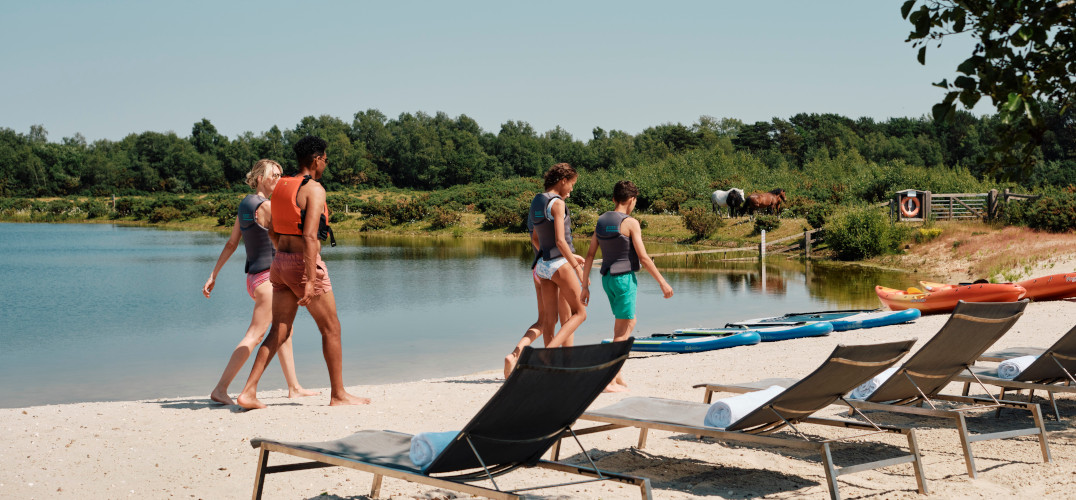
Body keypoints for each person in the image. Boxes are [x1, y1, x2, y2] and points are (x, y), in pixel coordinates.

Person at [236, 136, 369, 409]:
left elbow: (272, 228)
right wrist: (309, 278)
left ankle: (248, 392)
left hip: (280, 264)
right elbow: (310, 236)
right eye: (326, 160)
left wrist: (283, 257)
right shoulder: (314, 189)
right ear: (317, 159)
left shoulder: (282, 186)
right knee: (331, 328)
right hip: (302, 264)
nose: (325, 165)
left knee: (279, 330)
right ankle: (339, 395)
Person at [203, 160, 319, 405]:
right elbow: (284, 240)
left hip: (254, 278)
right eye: (272, 175)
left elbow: (232, 243)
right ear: (259, 178)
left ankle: (294, 386)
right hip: (268, 280)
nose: (278, 179)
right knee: (256, 335)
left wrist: (214, 274)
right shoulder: (266, 206)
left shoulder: (245, 204)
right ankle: (221, 389)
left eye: (279, 175)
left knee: (284, 330)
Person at [582, 180, 673, 392]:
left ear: (614, 198)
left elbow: (589, 254)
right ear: (631, 200)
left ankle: (618, 374)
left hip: (607, 279)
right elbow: (643, 257)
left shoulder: (601, 220)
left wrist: (584, 285)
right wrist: (663, 282)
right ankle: (610, 379)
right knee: (624, 329)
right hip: (624, 279)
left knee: (625, 324)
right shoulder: (631, 223)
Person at [528, 163, 587, 351]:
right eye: (572, 184)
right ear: (563, 181)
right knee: (580, 313)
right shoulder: (558, 203)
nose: (571, 189)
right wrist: (577, 269)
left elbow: (536, 238)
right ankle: (550, 351)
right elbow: (561, 242)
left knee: (549, 321)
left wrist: (550, 256)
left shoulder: (537, 201)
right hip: (559, 265)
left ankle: (550, 366)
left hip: (543, 266)